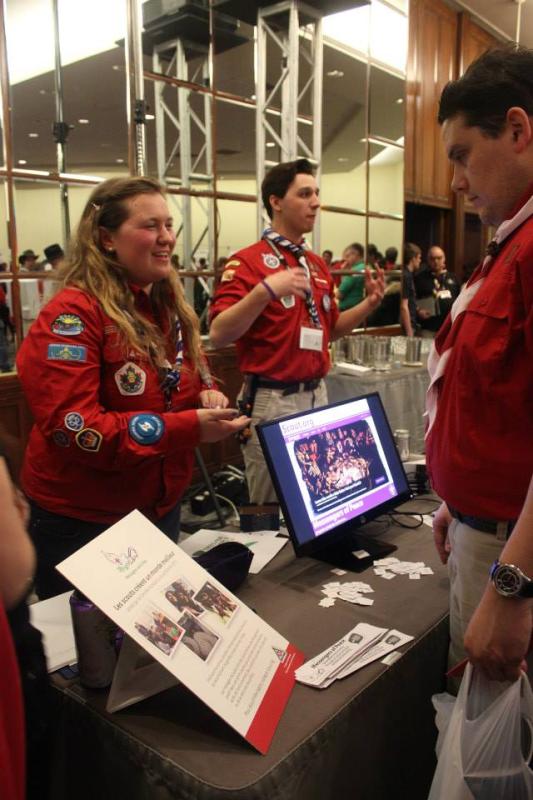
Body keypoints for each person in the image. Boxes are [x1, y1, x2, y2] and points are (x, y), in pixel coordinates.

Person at [17, 176, 248, 600]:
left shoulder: (168, 305)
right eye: (150, 226)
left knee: (150, 647)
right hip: (84, 520)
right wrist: (188, 428)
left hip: (159, 506)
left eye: (168, 225)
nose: (166, 238)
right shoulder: (70, 317)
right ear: (106, 239)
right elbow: (79, 430)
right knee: (95, 657)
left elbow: (192, 367)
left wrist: (206, 392)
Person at [428, 45, 533, 682]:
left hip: (510, 548)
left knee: (493, 759)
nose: (457, 181)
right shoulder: (510, 241)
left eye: (463, 155)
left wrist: (513, 585)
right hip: (488, 526)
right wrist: (459, 500)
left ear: (518, 131)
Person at [209, 158, 384, 503]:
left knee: (316, 497)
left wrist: (370, 304)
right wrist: (265, 291)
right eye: (305, 194)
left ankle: (310, 558)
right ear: (275, 201)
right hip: (273, 400)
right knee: (266, 506)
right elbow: (218, 334)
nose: (316, 202)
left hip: (318, 393)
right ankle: (259, 553)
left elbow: (329, 331)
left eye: (316, 193)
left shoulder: (315, 264)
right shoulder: (247, 262)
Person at [414, 245, 460, 335]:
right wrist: (418, 311)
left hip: (448, 328)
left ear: (444, 259)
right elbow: (411, 301)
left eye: (439, 258)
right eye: (432, 259)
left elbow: (459, 299)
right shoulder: (419, 279)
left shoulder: (453, 278)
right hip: (428, 328)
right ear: (428, 260)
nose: (436, 261)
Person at [399, 242, 421, 337]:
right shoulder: (406, 275)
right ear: (413, 258)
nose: (420, 261)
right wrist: (409, 331)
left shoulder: (406, 274)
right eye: (419, 257)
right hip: (405, 326)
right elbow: (404, 306)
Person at [337, 243, 366, 310]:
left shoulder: (354, 271)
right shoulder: (364, 267)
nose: (346, 260)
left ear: (355, 255)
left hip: (348, 309)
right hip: (358, 306)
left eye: (347, 256)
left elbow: (339, 295)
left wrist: (345, 271)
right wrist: (344, 271)